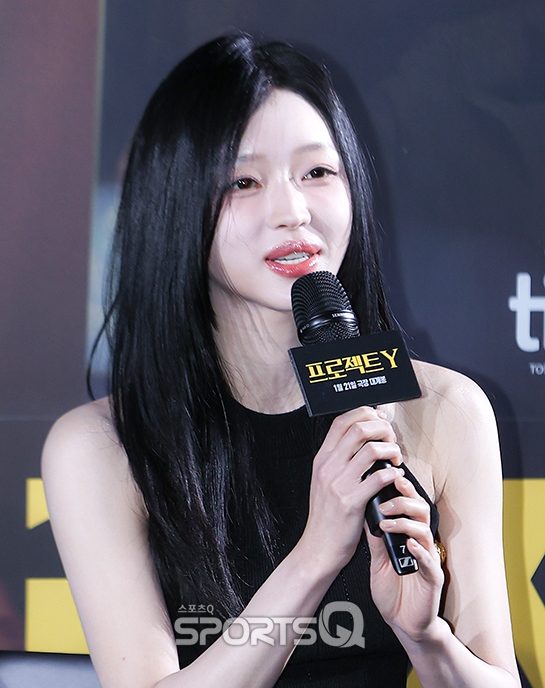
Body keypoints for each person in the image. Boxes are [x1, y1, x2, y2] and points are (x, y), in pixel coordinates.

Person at [41, 33, 521, 688]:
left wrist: (426, 636)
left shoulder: (442, 409)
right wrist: (315, 556)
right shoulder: (102, 447)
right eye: (243, 181)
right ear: (176, 206)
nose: (293, 212)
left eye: (317, 173)